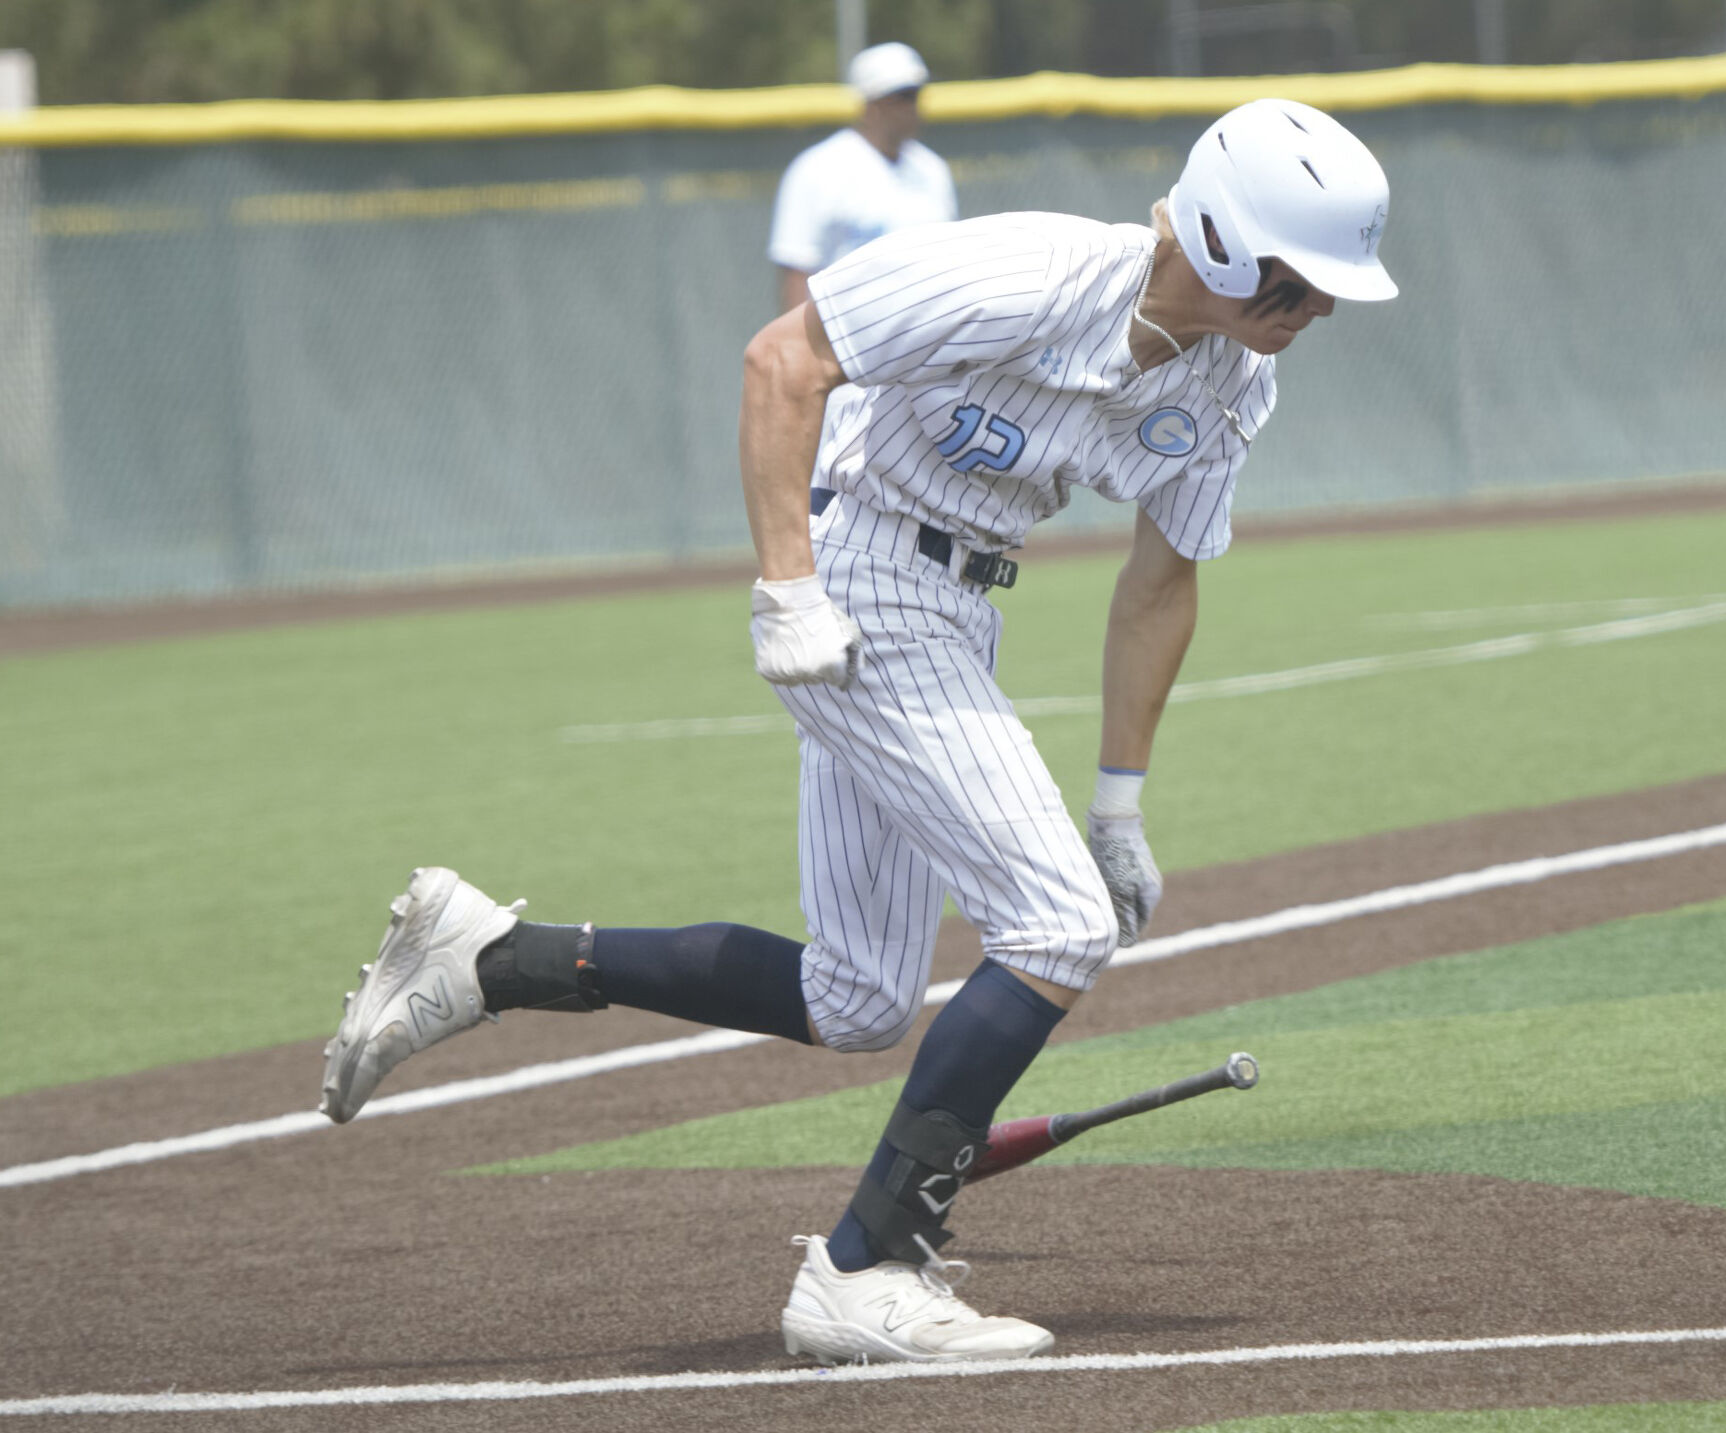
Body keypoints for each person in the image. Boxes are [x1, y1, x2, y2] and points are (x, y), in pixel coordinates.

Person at [319, 97, 1397, 1367]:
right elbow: (784, 358)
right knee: (1055, 925)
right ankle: (863, 1266)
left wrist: (1118, 801)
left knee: (857, 995)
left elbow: (1160, 581)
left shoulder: (1236, 384)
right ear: (1219, 238)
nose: (1315, 307)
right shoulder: (1033, 268)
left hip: (956, 598)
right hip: (860, 573)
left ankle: (491, 954)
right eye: (1298, 277)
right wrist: (788, 588)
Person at [767, 41, 957, 315]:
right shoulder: (817, 169)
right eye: (901, 96)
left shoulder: (933, 170)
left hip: (923, 339)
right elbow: (797, 271)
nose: (912, 106)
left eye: (915, 95)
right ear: (870, 104)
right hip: (845, 343)